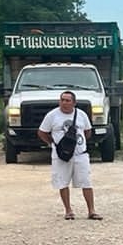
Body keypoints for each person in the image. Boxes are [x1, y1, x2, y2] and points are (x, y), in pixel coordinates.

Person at [37, 89, 101, 220]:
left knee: (86, 181)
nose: (64, 103)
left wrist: (78, 143)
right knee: (62, 182)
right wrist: (54, 144)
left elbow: (88, 132)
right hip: (61, 155)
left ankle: (91, 210)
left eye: (67, 100)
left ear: (74, 103)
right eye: (62, 100)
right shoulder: (52, 115)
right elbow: (42, 132)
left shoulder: (81, 115)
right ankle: (68, 210)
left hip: (80, 154)